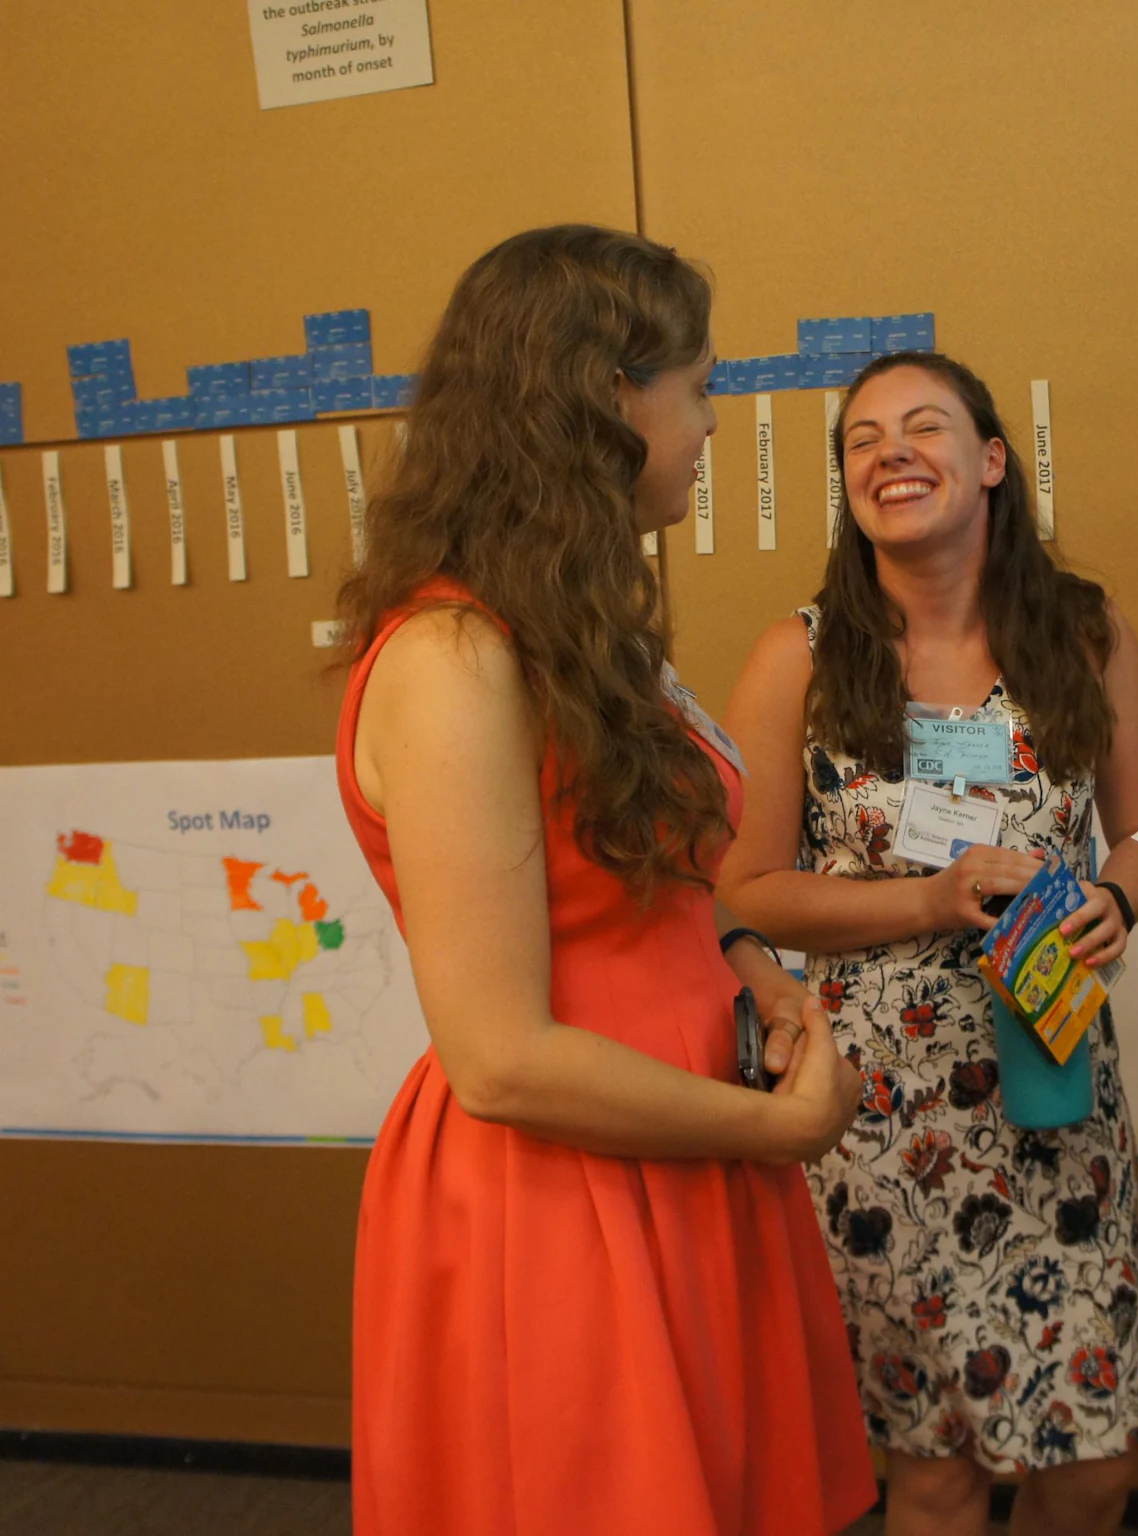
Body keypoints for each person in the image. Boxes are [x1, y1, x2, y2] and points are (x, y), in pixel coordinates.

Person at [334, 225, 875, 1536]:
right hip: (569, 1189)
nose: (708, 419)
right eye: (695, 384)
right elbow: (503, 1061)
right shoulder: (454, 660)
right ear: (603, 397)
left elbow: (665, 885)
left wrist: (755, 977)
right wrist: (784, 1129)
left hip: (680, 1146)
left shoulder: (575, 631)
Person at [717, 351, 1138, 1536]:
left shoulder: (1080, 633)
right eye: (862, 440)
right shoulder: (800, 658)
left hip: (1052, 1084)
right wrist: (925, 902)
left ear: (989, 462)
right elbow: (746, 889)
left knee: (1090, 1459)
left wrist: (1115, 903)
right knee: (933, 1469)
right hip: (881, 1117)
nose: (890, 452)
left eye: (923, 427)